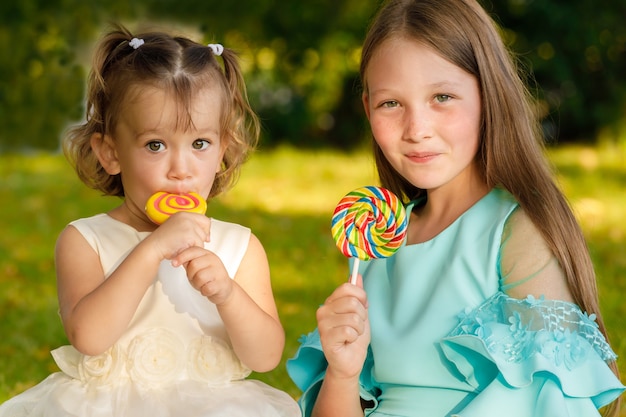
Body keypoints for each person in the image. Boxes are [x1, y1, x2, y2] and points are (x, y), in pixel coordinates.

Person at [286, 0, 625, 416]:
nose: (417, 130)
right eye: (391, 104)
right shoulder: (376, 243)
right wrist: (341, 372)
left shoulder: (516, 233)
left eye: (442, 97)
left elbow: (544, 398)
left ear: (489, 97)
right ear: (368, 109)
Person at [0, 24, 300, 417]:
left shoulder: (238, 247)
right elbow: (88, 336)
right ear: (110, 152)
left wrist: (227, 293)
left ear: (223, 149)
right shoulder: (85, 240)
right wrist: (152, 248)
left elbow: (265, 356)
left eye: (200, 144)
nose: (181, 169)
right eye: (155, 145)